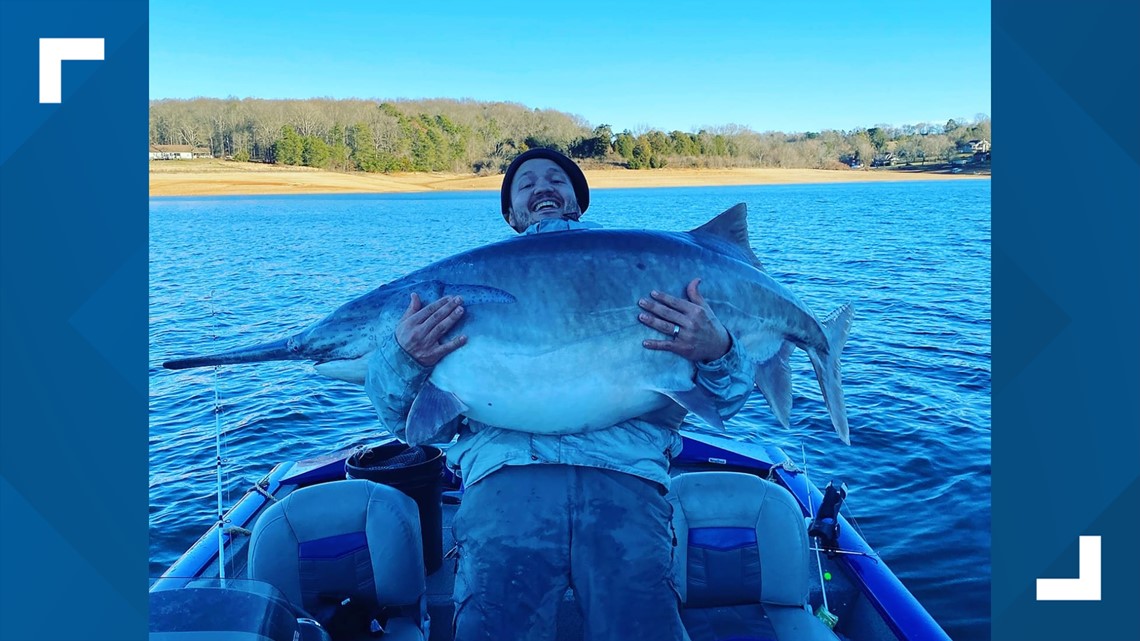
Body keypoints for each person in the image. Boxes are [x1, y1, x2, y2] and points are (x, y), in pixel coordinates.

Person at [365, 148, 753, 641]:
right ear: (510, 214)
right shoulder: (459, 295)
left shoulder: (651, 273)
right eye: (525, 184)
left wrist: (718, 349)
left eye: (556, 179)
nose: (542, 187)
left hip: (625, 477)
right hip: (506, 481)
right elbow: (412, 425)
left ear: (577, 201)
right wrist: (405, 358)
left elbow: (727, 400)